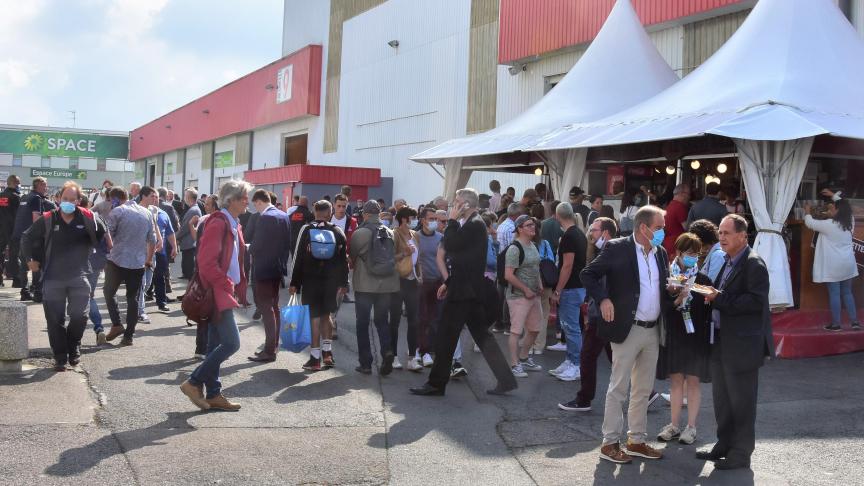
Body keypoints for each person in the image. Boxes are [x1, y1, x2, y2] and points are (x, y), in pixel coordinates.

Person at [581, 205, 671, 464]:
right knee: (618, 388)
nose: (663, 232)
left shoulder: (661, 252)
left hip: (653, 329)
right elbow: (588, 274)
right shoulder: (617, 247)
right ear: (643, 228)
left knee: (643, 390)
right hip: (627, 329)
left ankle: (637, 440)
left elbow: (661, 287)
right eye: (659, 227)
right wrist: (604, 299)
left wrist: (676, 291)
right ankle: (610, 442)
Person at [410, 188, 517, 396]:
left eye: (457, 202)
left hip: (463, 293)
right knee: (481, 337)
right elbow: (462, 259)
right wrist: (448, 282)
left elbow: (450, 244)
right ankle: (506, 380)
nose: (454, 206)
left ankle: (436, 384)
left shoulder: (474, 224)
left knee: (445, 337)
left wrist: (450, 221)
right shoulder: (473, 224)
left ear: (466, 205)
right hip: (466, 289)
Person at [699, 214, 773, 470]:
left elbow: (755, 303)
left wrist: (718, 298)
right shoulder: (726, 260)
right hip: (720, 340)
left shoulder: (754, 264)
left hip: (742, 346)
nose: (722, 238)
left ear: (743, 236)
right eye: (720, 233)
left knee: (742, 402)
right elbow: (721, 292)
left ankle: (741, 454)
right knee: (722, 399)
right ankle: (724, 444)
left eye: (727, 233)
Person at [180, 180, 251, 411]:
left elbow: (234, 260)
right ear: (231, 200)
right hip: (217, 291)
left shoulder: (233, 222)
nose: (247, 201)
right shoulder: (218, 222)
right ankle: (193, 382)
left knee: (214, 345)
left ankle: (213, 394)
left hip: (222, 290)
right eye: (244, 197)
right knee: (231, 343)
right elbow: (206, 262)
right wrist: (226, 283)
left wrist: (237, 285)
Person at [21, 181, 107, 371]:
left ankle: (73, 346)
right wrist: (29, 260)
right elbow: (26, 237)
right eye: (65, 198)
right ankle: (60, 357)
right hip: (52, 277)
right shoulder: (48, 219)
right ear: (59, 198)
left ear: (78, 200)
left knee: (80, 316)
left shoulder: (87, 217)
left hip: (80, 275)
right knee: (54, 320)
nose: (68, 202)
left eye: (72, 199)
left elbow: (102, 233)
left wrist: (95, 257)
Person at [655, 233, 713, 446]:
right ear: (678, 253)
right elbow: (663, 309)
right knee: (676, 381)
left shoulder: (703, 280)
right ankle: (673, 424)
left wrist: (704, 296)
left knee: (694, 381)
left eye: (697, 254)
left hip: (696, 336)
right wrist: (678, 297)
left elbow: (709, 309)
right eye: (689, 253)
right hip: (674, 335)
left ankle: (691, 427)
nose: (694, 258)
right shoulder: (669, 279)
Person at [558, 217, 616, 412]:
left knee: (588, 356)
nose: (591, 234)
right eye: (591, 230)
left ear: (606, 232)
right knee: (617, 357)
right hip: (602, 312)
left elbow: (602, 284)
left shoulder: (608, 253)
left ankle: (584, 399)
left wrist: (595, 306)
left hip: (602, 314)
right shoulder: (603, 251)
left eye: (595, 230)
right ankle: (647, 394)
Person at [291, 200, 349, 370]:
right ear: (330, 212)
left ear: (314, 211)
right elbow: (343, 261)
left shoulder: (307, 229)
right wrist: (344, 283)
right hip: (330, 282)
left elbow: (298, 257)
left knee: (313, 318)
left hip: (311, 280)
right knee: (327, 315)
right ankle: (328, 353)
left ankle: (315, 358)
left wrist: (295, 283)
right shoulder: (337, 231)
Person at [102, 187, 157, 346]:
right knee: (132, 298)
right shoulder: (147, 213)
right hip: (138, 263)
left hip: (117, 260)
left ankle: (117, 323)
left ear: (114, 199)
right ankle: (129, 336)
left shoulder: (117, 212)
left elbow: (108, 235)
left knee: (108, 291)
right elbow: (152, 240)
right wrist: (148, 259)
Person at [349, 200, 397, 375]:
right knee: (382, 321)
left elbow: (352, 257)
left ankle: (366, 363)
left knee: (362, 323)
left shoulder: (360, 233)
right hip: (386, 286)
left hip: (365, 285)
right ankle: (387, 351)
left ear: (366, 215)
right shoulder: (390, 232)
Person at [804, 191, 859, 331]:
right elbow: (845, 205)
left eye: (832, 208)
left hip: (833, 265)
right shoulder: (849, 222)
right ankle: (855, 322)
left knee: (835, 293)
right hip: (848, 264)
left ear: (837, 211)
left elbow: (809, 223)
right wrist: (832, 195)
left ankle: (836, 324)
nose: (829, 209)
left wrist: (807, 211)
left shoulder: (829, 225)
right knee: (847, 292)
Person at [246, 190, 291, 363]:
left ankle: (269, 350)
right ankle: (273, 346)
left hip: (264, 268)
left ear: (258, 202)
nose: (255, 209)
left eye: (255, 204)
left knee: (266, 308)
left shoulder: (265, 217)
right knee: (274, 307)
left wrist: (246, 247)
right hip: (277, 267)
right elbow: (287, 243)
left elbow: (257, 245)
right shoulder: (283, 215)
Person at [547, 202, 588, 382]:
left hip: (571, 287)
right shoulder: (579, 233)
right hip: (576, 286)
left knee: (571, 328)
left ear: (557, 216)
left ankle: (576, 365)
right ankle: (571, 361)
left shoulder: (570, 236)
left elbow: (567, 265)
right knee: (570, 327)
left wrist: (558, 290)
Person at [504, 215, 544, 377]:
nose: (532, 227)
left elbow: (535, 267)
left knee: (535, 329)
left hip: (533, 295)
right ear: (520, 228)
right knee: (516, 331)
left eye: (533, 225)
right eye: (528, 225)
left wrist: (539, 283)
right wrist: (525, 289)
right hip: (518, 297)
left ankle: (524, 357)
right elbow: (508, 275)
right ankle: (514, 365)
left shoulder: (533, 245)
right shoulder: (514, 249)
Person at [12, 176, 55, 301]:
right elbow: (36, 219)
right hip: (32, 237)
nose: (46, 188)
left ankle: (24, 292)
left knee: (24, 265)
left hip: (20, 235)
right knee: (36, 264)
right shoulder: (36, 198)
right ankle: (37, 293)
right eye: (45, 185)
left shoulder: (24, 197)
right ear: (40, 185)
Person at [391, 206, 422, 371]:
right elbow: (390, 257)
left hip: (412, 282)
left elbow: (419, 259)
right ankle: (393, 356)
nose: (415, 220)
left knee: (414, 320)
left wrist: (420, 275)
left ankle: (412, 357)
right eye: (413, 217)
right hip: (397, 282)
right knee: (394, 320)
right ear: (404, 219)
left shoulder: (415, 235)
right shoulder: (394, 234)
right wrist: (404, 252)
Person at [139, 186, 176, 314]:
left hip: (160, 252)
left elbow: (170, 233)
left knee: (159, 277)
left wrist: (174, 247)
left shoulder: (163, 214)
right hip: (142, 251)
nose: (155, 199)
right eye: (152, 196)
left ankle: (161, 302)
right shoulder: (139, 212)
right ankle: (139, 306)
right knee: (142, 281)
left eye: (156, 197)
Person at [416, 207, 443, 369]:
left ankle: (431, 348)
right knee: (422, 318)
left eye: (436, 219)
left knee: (436, 318)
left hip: (438, 282)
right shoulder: (416, 237)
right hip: (421, 283)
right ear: (422, 220)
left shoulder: (441, 238)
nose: (434, 222)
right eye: (431, 218)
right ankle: (422, 350)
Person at [495, 203, 523, 333]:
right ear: (517, 215)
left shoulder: (501, 225)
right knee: (508, 294)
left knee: (501, 294)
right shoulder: (512, 227)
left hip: (500, 262)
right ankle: (507, 324)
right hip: (509, 263)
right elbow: (513, 248)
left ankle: (499, 322)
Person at [0, 175, 21, 287]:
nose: (19, 185)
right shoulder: (16, 196)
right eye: (18, 183)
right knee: (14, 255)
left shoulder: (1, 196)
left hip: (1, 229)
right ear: (15, 183)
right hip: (13, 229)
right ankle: (17, 280)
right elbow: (20, 214)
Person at [176, 188, 201, 280]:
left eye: (185, 196)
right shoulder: (193, 209)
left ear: (188, 197)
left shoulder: (193, 210)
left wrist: (176, 237)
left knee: (189, 271)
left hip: (190, 244)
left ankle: (190, 293)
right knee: (188, 271)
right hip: (189, 243)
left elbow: (185, 228)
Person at [662, 183, 691, 258]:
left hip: (668, 244)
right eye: (688, 194)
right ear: (682, 194)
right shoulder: (679, 207)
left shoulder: (670, 205)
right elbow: (687, 228)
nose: (689, 197)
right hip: (676, 245)